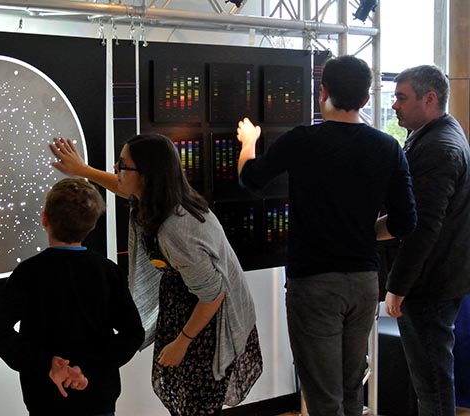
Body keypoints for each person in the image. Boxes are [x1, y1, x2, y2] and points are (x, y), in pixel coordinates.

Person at [236, 55, 417, 416]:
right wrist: (367, 234)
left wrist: (247, 142)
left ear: (323, 92)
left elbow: (251, 179)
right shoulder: (387, 147)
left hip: (314, 282)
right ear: (366, 99)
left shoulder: (303, 140)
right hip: (365, 282)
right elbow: (405, 221)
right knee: (352, 387)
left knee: (322, 394)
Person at [50, 134, 263, 416]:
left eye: (123, 165)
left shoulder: (176, 227)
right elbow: (122, 186)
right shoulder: (155, 200)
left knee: (195, 404)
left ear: (147, 174)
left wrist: (182, 342)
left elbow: (213, 295)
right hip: (185, 308)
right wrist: (84, 171)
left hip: (206, 323)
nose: (117, 169)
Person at [0, 178, 144, 416]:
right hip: (97, 395)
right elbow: (133, 333)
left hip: (44, 396)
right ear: (91, 225)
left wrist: (47, 364)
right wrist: (86, 369)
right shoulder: (107, 271)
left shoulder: (28, 273)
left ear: (44, 219)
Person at [378, 64, 470, 416]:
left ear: (429, 99)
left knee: (431, 385)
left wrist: (398, 286)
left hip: (429, 285)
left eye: (402, 98)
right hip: (438, 279)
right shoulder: (439, 134)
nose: (395, 106)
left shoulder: (439, 147)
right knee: (431, 382)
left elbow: (423, 226)